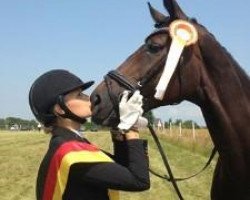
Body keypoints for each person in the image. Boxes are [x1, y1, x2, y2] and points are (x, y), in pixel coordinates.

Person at [29, 69, 150, 200]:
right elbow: (139, 180)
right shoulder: (72, 155)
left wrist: (117, 127)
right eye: (79, 95)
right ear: (59, 109)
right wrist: (131, 127)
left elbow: (122, 167)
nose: (89, 98)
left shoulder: (68, 144)